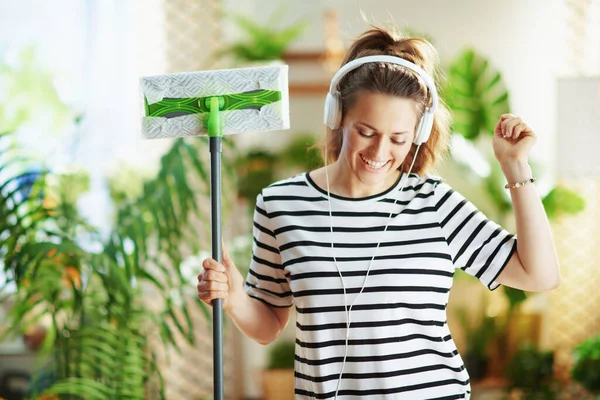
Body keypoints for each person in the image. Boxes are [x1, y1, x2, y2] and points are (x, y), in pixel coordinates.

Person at [197, 26, 561, 399]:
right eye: (366, 131)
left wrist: (515, 166)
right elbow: (268, 325)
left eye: (398, 139)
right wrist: (236, 295)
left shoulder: (433, 202)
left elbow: (540, 274)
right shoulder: (282, 205)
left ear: (417, 134)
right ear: (337, 115)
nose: (379, 152)